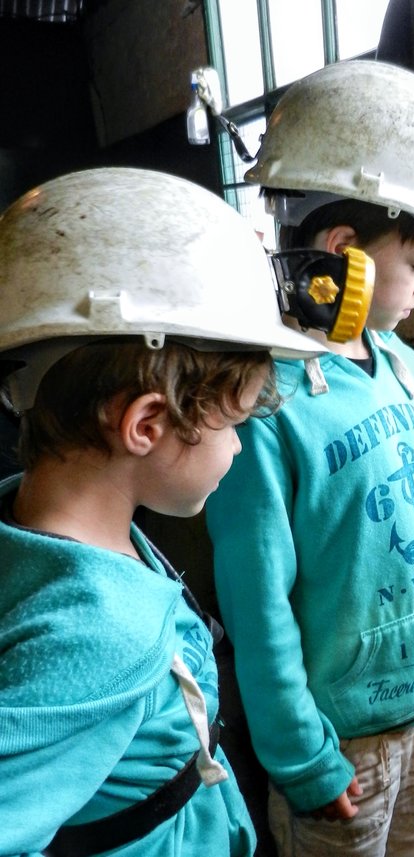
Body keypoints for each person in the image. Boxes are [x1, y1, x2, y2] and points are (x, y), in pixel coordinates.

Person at [205, 60, 414, 857]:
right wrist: (300, 753)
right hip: (341, 746)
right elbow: (257, 599)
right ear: (341, 256)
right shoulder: (263, 402)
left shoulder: (403, 366)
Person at [0, 166, 323, 857]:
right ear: (146, 423)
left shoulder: (32, 522)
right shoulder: (95, 636)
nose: (238, 446)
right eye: (233, 422)